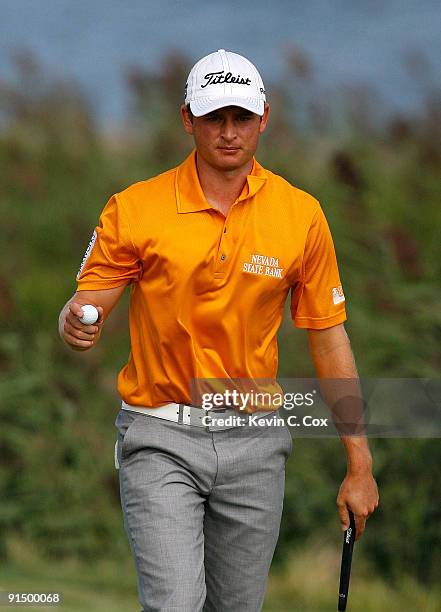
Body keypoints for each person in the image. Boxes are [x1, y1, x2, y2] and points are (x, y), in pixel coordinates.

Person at [58, 49, 378, 612]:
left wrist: (359, 462)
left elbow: (328, 337)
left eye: (241, 118)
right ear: (188, 119)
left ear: (264, 118)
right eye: (214, 118)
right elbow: (91, 300)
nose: (228, 133)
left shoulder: (301, 215)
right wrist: (78, 321)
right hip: (160, 437)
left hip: (255, 443)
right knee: (176, 603)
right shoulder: (134, 209)